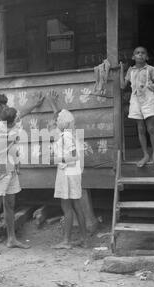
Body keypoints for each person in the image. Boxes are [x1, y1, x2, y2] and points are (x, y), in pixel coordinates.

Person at [0, 92, 44, 255]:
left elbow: (21, 112)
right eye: (5, 105)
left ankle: (11, 238)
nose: (8, 108)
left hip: (10, 164)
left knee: (10, 202)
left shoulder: (8, 117)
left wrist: (35, 104)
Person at [47, 91, 87, 249]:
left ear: (61, 124)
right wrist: (54, 104)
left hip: (67, 173)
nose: (54, 122)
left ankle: (66, 241)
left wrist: (56, 160)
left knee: (67, 207)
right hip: (72, 173)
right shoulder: (69, 134)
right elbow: (59, 116)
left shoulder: (66, 137)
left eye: (56, 121)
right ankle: (84, 239)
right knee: (76, 205)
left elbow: (74, 156)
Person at [120, 46, 154, 170]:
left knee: (151, 128)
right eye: (137, 53)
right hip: (136, 100)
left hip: (148, 99)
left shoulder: (151, 69)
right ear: (133, 57)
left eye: (143, 53)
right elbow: (123, 86)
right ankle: (145, 155)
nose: (140, 55)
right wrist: (121, 70)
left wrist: (152, 87)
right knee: (140, 128)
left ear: (147, 57)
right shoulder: (130, 70)